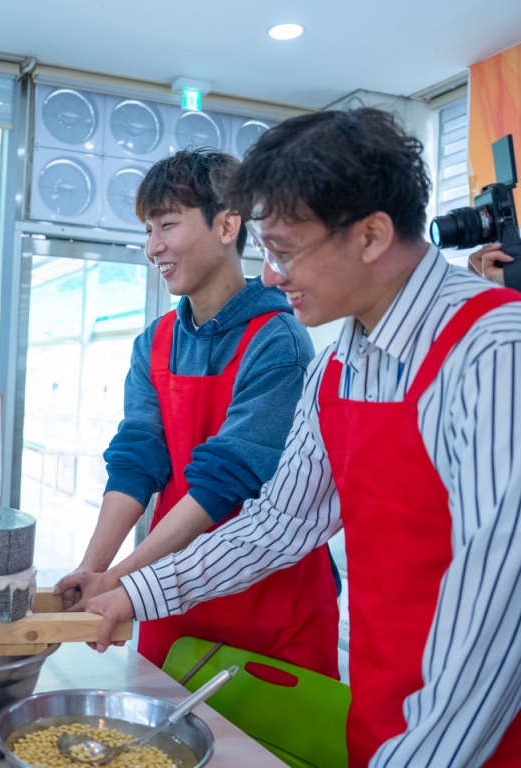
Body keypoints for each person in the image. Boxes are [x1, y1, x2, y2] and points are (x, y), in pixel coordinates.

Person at [86, 108, 521, 767]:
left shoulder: (494, 350)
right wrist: (132, 592)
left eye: (285, 252)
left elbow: (500, 612)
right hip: (382, 715)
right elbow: (278, 524)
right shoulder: (337, 368)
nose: (270, 275)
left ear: (371, 235)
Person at [54, 148, 339, 676]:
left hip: (267, 607)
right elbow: (137, 462)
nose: (152, 247)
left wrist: (120, 578)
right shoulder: (155, 341)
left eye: (167, 225)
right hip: (166, 601)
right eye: (148, 230)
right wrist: (92, 570)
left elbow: (223, 481)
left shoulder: (279, 341)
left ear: (228, 225)